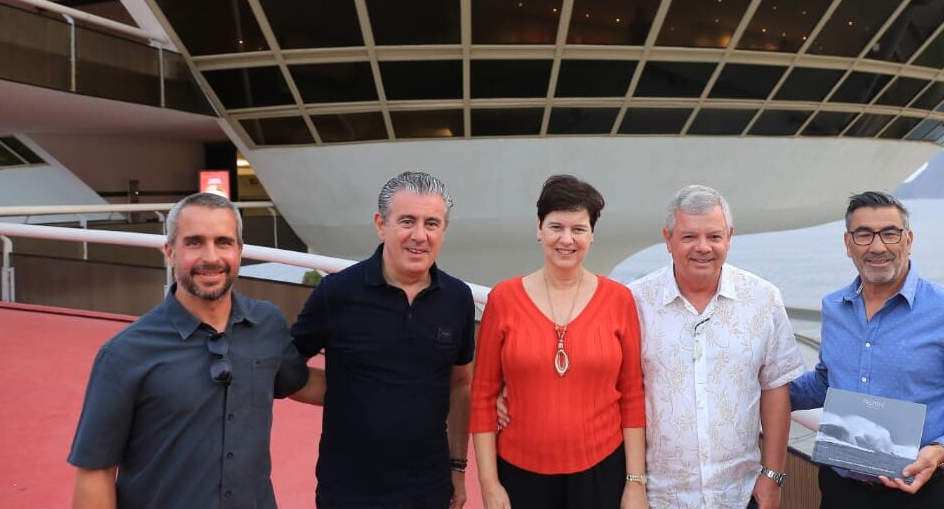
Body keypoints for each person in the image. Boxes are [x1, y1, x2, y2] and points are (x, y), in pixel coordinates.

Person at [67, 192, 317, 508]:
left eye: (223, 242)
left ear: (239, 251)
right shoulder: (124, 354)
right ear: (170, 251)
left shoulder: (266, 324)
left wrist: (390, 383)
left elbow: (302, 382)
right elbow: (95, 470)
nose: (210, 257)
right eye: (195, 242)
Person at [789, 191, 944, 509]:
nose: (877, 247)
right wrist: (758, 392)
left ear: (908, 240)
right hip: (840, 491)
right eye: (864, 234)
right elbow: (827, 383)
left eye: (889, 233)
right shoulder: (835, 307)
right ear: (848, 243)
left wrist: (942, 450)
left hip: (919, 496)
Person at [290, 171, 476, 509]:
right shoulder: (336, 293)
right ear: (381, 224)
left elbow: (460, 384)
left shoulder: (458, 299)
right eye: (407, 221)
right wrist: (349, 391)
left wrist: (458, 468)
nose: (419, 236)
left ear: (443, 230)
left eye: (432, 224)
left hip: (429, 491)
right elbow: (288, 371)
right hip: (347, 491)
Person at [471, 175, 648, 509]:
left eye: (578, 229)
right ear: (539, 228)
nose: (567, 239)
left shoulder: (619, 300)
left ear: (591, 235)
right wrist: (489, 484)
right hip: (519, 473)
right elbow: (483, 397)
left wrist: (635, 484)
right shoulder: (504, 299)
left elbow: (632, 396)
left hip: (601, 471)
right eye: (556, 227)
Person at [628, 185, 804, 509]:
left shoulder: (763, 299)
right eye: (689, 237)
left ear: (730, 237)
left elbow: (776, 387)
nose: (703, 248)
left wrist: (773, 476)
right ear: (668, 239)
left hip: (741, 494)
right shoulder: (635, 302)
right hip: (659, 497)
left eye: (714, 236)